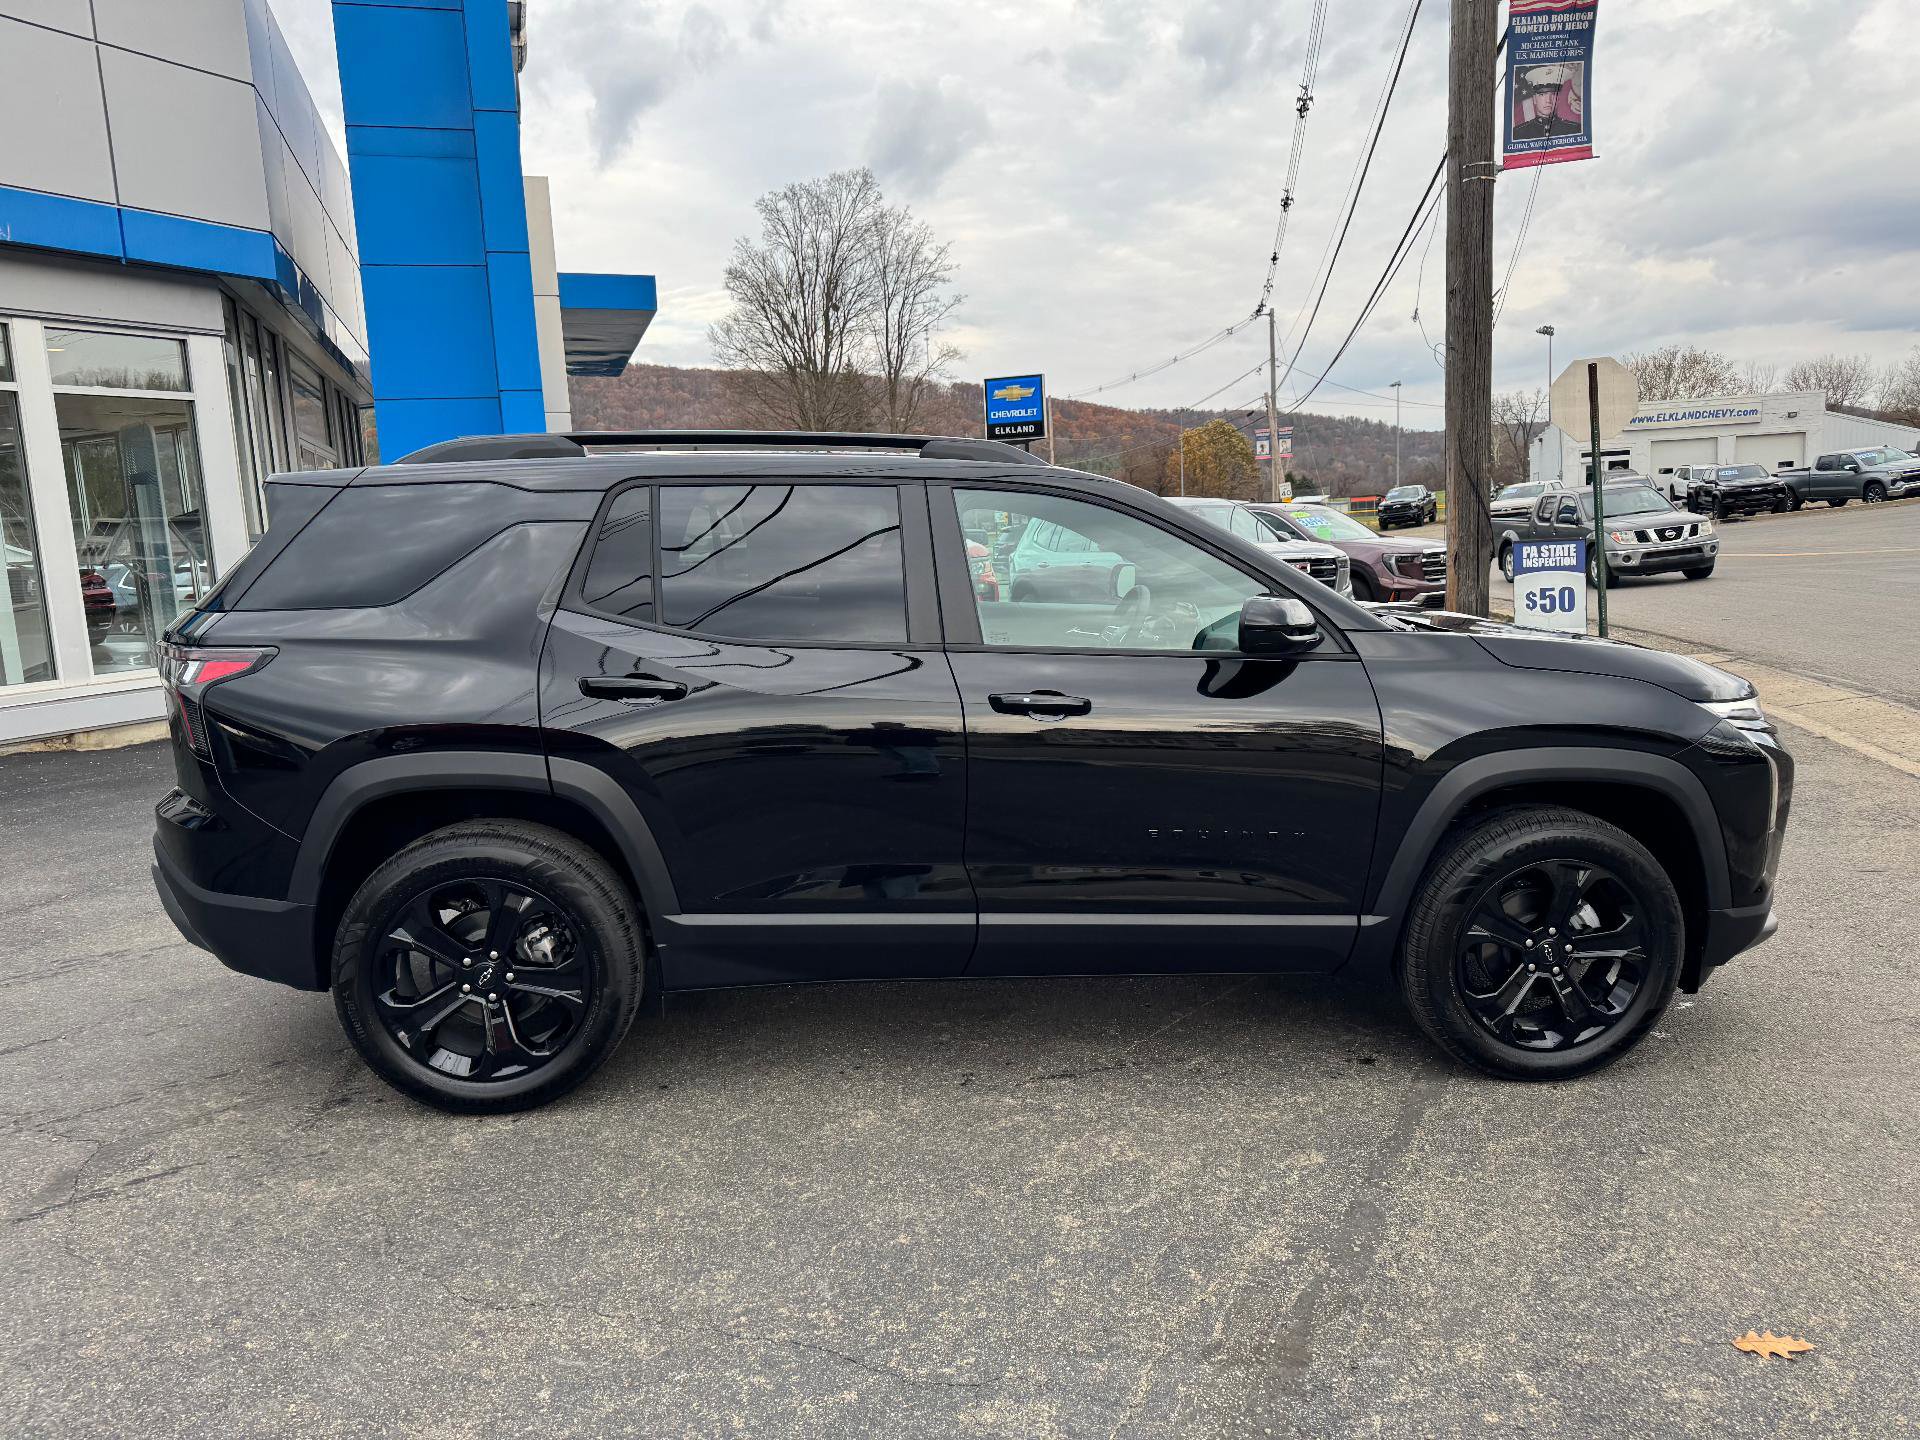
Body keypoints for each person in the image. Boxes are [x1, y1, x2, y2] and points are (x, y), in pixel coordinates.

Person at [1513, 64, 1583, 140]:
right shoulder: (1518, 133)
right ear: (1534, 99)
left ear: (1559, 98)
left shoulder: (1575, 130)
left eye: (1553, 94)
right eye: (1542, 94)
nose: (1548, 100)